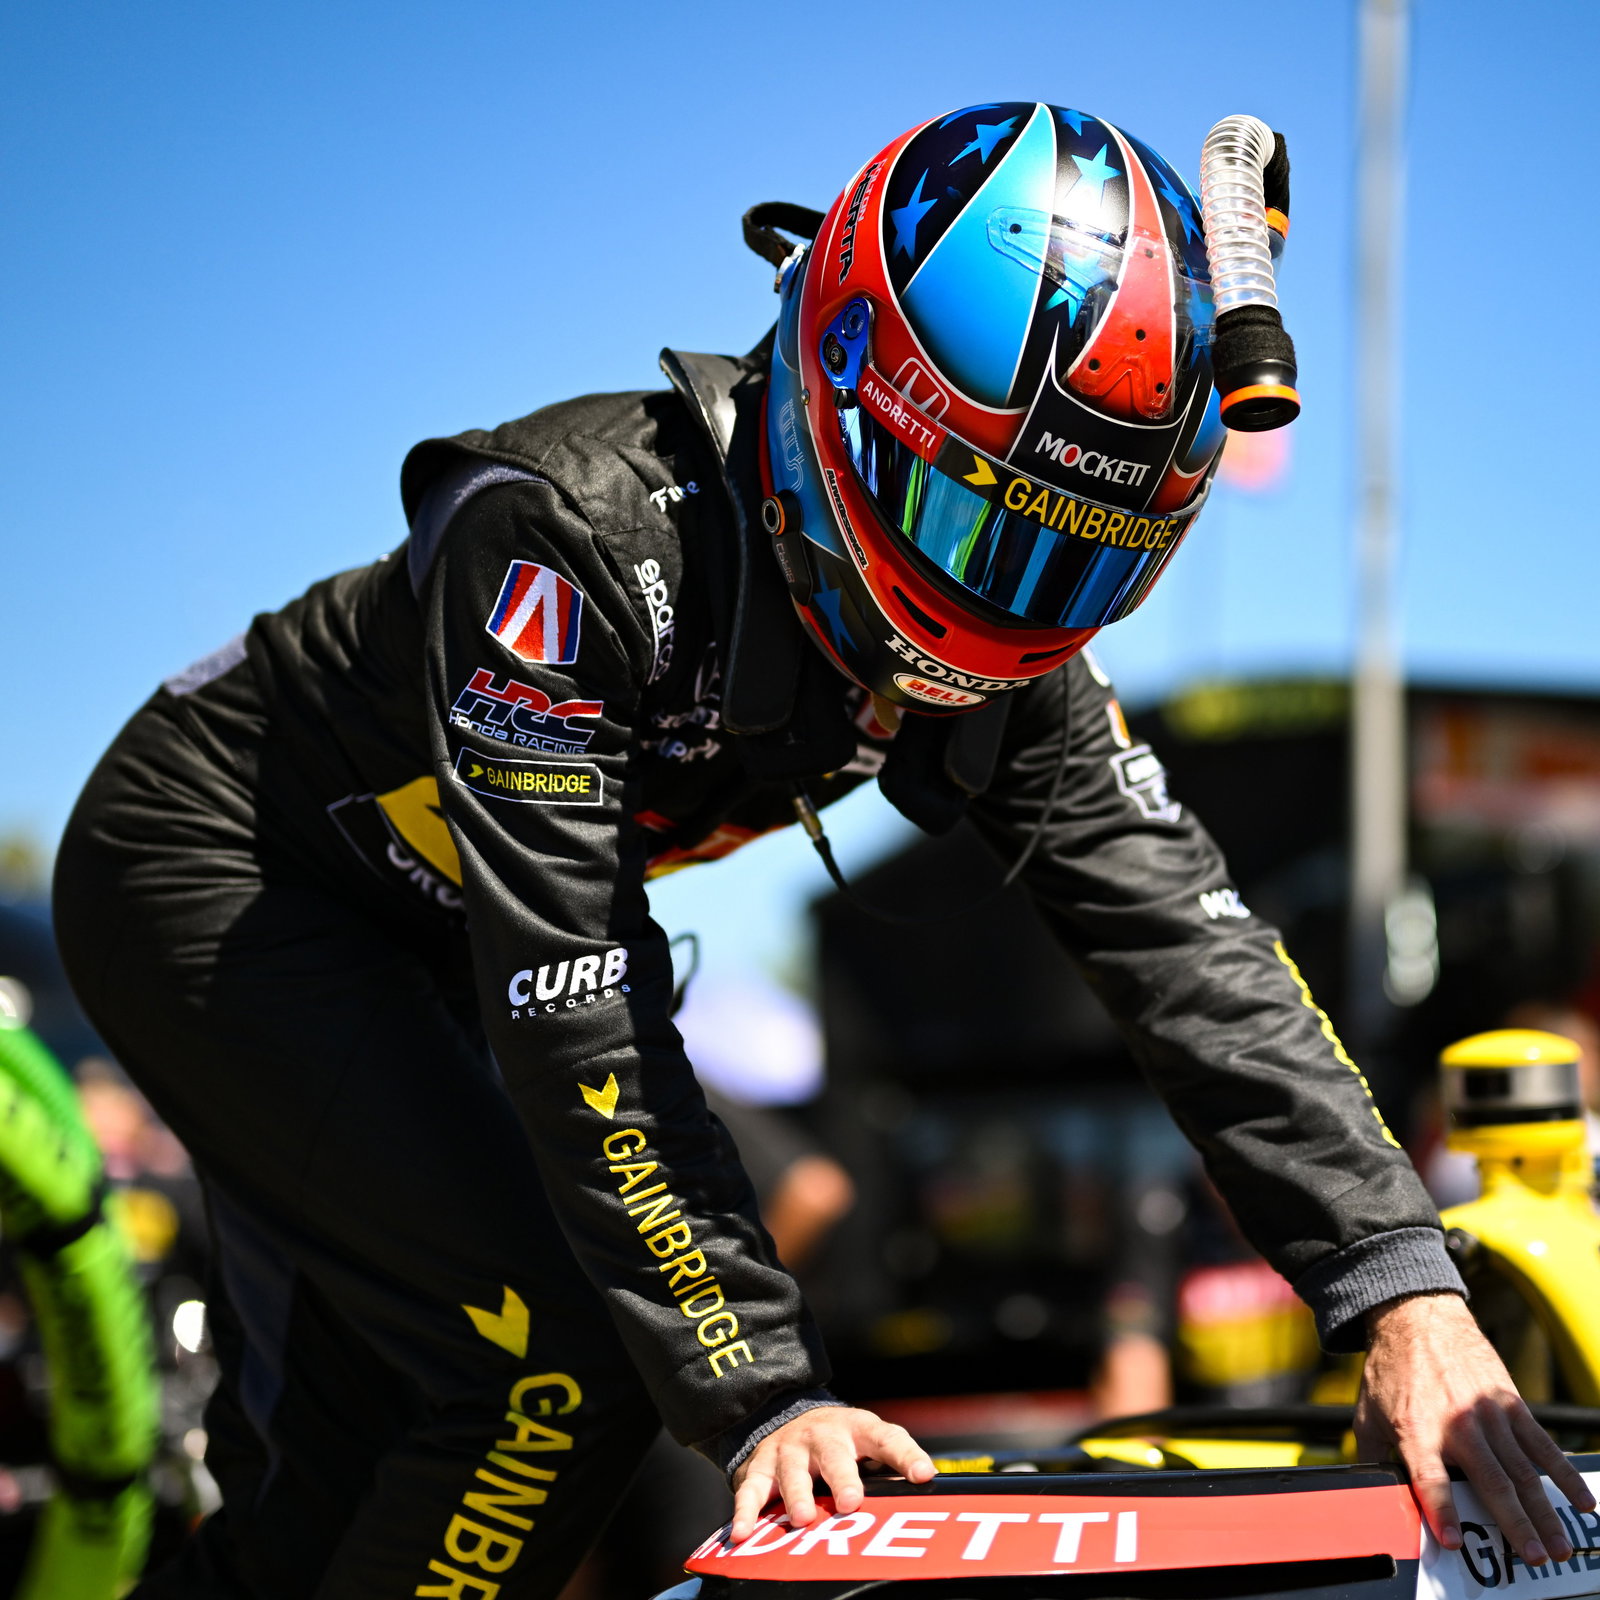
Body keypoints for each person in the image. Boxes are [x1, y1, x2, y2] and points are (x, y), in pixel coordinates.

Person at [53, 101, 1589, 1598]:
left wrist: (1402, 1289)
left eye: (1071, 555)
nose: (1000, 603)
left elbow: (1191, 946)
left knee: (382, 1462)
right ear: (838, 382)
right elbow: (577, 991)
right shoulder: (564, 538)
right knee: (545, 1380)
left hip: (444, 936)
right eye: (974, 516)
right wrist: (768, 1390)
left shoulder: (1006, 647)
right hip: (230, 873)